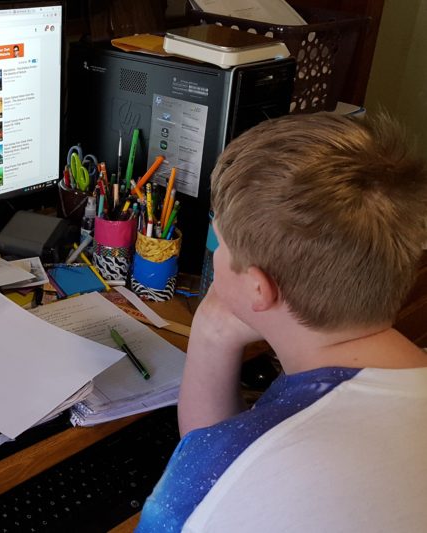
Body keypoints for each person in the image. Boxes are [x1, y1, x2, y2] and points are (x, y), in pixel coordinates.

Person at [136, 112, 427, 532]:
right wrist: (212, 333)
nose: (215, 253)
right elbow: (223, 460)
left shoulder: (217, 482)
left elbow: (222, 478)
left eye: (219, 241)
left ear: (260, 289)